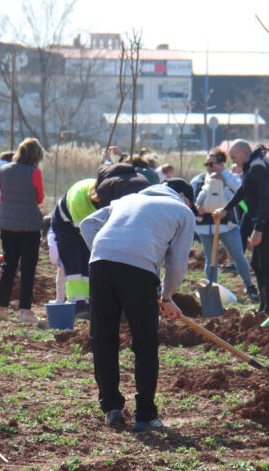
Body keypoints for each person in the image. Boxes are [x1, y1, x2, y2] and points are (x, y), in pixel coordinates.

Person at [80, 180, 195, 433]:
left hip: (100, 264)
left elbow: (87, 224)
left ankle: (111, 408)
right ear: (183, 196)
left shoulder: (127, 200)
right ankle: (145, 415)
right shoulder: (182, 211)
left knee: (104, 337)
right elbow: (177, 264)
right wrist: (167, 297)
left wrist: (107, 252)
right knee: (145, 343)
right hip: (139, 270)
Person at [50, 159, 149, 319]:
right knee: (74, 262)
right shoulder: (81, 200)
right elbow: (89, 236)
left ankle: (91, 303)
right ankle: (78, 305)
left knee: (89, 263)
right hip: (66, 225)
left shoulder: (110, 196)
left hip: (87, 225)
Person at [0, 138, 45, 324]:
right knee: (28, 268)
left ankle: (0, 308)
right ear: (36, 156)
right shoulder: (34, 172)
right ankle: (25, 311)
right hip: (29, 225)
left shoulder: (3, 170)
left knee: (8, 266)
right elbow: (40, 198)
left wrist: (5, 197)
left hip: (7, 224)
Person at [216, 141, 269, 314]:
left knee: (265, 265)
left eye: (233, 156)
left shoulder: (257, 169)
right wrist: (226, 208)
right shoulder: (252, 166)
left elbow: (265, 199)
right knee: (256, 264)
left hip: (266, 220)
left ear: (243, 152)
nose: (233, 160)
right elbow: (243, 189)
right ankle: (264, 304)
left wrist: (258, 229)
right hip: (259, 219)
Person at [190, 151, 256, 297]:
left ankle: (249, 285)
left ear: (221, 164)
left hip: (227, 224)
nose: (208, 167)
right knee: (211, 258)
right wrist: (197, 208)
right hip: (205, 227)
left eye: (211, 164)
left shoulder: (230, 177)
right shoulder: (199, 179)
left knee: (238, 254)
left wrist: (224, 173)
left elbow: (241, 189)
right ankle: (211, 288)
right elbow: (192, 198)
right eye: (206, 164)